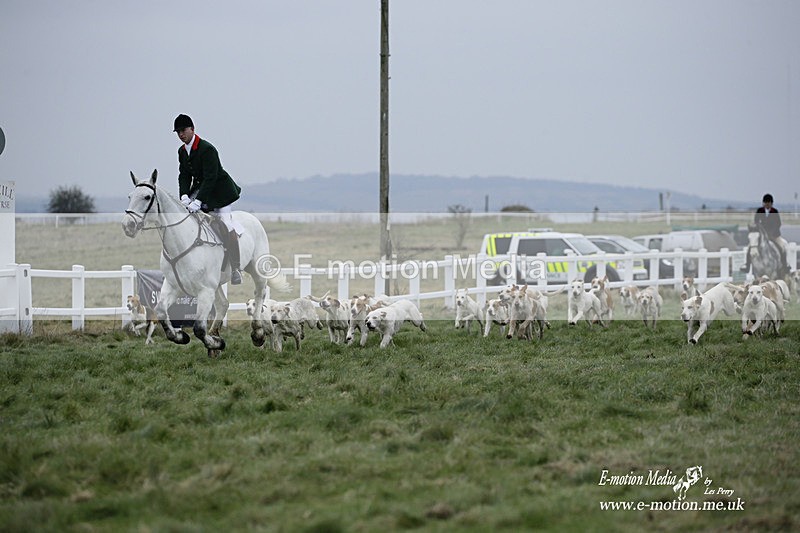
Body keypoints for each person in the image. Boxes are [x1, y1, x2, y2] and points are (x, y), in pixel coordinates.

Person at [173, 114, 243, 285]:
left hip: (220, 193)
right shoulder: (182, 151)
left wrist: (198, 201)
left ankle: (236, 268)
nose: (181, 134)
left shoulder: (207, 149)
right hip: (200, 191)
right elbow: (184, 175)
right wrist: (184, 196)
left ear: (192, 129)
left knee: (226, 224)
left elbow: (211, 178)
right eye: (178, 132)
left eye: (183, 130)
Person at [742, 193, 790, 276]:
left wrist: (771, 233)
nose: (767, 205)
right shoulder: (759, 211)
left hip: (774, 235)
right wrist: (760, 231)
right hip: (762, 236)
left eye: (768, 203)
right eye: (765, 203)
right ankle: (747, 265)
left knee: (782, 247)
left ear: (771, 203)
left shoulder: (774, 211)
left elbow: (778, 223)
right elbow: (756, 222)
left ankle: (785, 264)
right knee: (750, 248)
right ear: (763, 203)